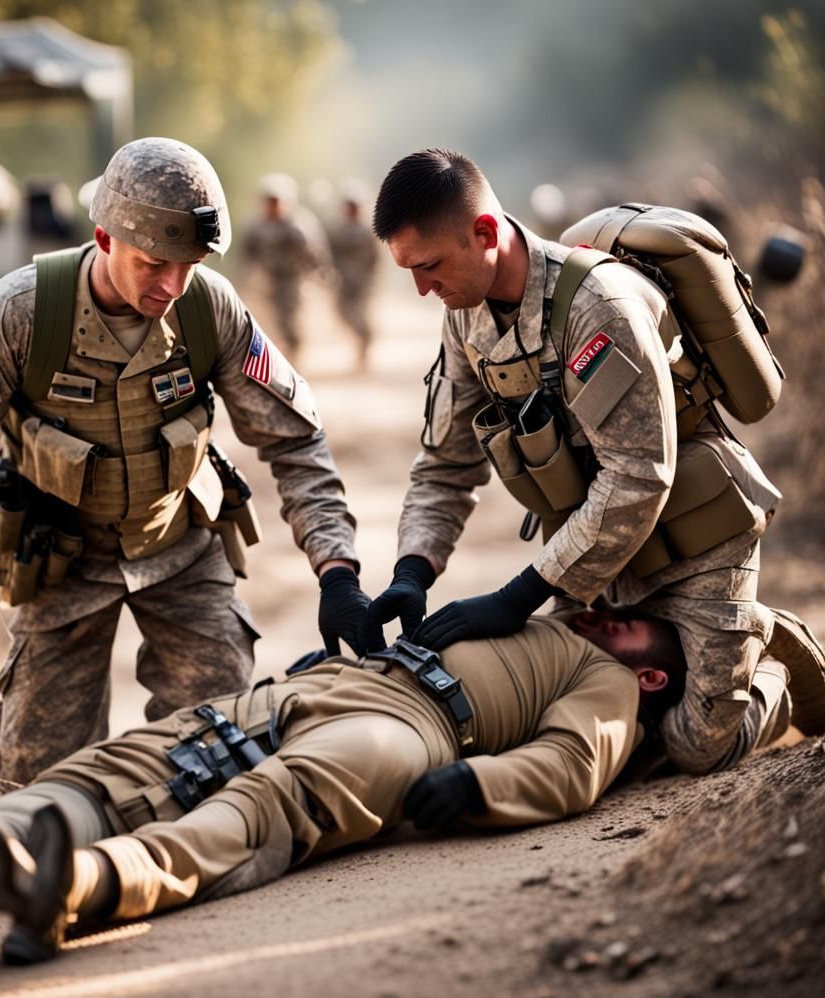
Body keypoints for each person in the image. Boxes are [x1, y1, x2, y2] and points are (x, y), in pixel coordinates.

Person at [0, 138, 369, 784]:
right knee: (36, 786)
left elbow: (294, 440)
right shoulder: (21, 315)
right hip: (60, 563)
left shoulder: (208, 308)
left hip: (181, 549)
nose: (173, 284)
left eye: (190, 263)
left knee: (225, 761)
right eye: (155, 263)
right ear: (104, 239)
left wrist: (337, 571)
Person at [0, 607, 688, 962]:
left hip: (411, 730)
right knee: (115, 770)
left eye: (641, 625)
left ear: (652, 676)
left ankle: (74, 889)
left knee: (258, 805)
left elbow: (577, 764)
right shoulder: (542, 612)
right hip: (322, 687)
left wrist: (478, 782)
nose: (619, 610)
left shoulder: (607, 679)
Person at [362, 147, 786, 776]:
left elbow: (639, 475)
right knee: (550, 712)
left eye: (429, 267)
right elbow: (445, 464)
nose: (423, 289)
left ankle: (770, 657)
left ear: (485, 233)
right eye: (409, 274)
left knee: (698, 746)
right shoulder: (464, 316)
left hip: (700, 543)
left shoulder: (597, 309)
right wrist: (412, 569)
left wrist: (517, 596)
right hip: (599, 564)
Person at [239, 173, 330, 359]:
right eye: (269, 201)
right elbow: (248, 253)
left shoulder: (298, 225)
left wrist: (321, 273)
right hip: (269, 277)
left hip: (293, 279)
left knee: (289, 317)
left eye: (276, 201)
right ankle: (277, 354)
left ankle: (294, 348)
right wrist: (244, 278)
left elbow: (314, 252)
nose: (273, 206)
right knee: (269, 319)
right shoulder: (256, 226)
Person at [327, 180, 380, 368]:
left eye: (355, 205)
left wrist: (372, 279)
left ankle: (365, 341)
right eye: (349, 205)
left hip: (362, 281)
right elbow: (328, 253)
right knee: (342, 312)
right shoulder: (335, 230)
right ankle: (362, 337)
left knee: (360, 315)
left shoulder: (369, 231)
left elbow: (376, 258)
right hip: (342, 281)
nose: (352, 209)